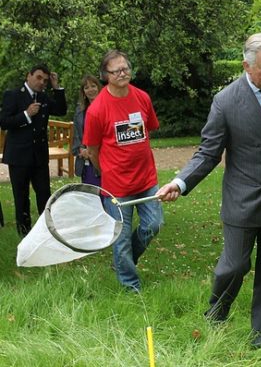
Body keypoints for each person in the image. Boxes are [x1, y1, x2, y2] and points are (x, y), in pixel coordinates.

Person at [156, 33, 261, 348]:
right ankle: (217, 310)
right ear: (247, 65)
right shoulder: (225, 101)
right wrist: (180, 182)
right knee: (235, 265)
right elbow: (208, 152)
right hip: (243, 199)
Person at [83, 50, 164, 292]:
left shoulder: (142, 97)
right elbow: (93, 150)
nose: (122, 73)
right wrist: (106, 171)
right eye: (116, 70)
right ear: (105, 76)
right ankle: (131, 287)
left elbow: (149, 130)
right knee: (120, 240)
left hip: (146, 179)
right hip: (116, 186)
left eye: (125, 68)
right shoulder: (97, 110)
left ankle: (124, 261)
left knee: (154, 224)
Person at [0, 64, 67, 236]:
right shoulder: (12, 95)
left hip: (39, 156)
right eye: (38, 78)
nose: (41, 82)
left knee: (45, 195)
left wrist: (56, 86)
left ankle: (47, 231)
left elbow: (61, 110)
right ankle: (25, 234)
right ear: (28, 76)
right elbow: (4, 122)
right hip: (18, 156)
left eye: (45, 80)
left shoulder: (43, 97)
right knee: (21, 197)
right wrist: (26, 114)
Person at [72, 74, 102, 186]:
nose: (90, 90)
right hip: (87, 162)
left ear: (99, 87)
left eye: (93, 86)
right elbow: (77, 136)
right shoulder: (79, 111)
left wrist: (93, 152)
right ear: (83, 92)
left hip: (104, 159)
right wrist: (81, 150)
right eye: (86, 87)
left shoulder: (107, 107)